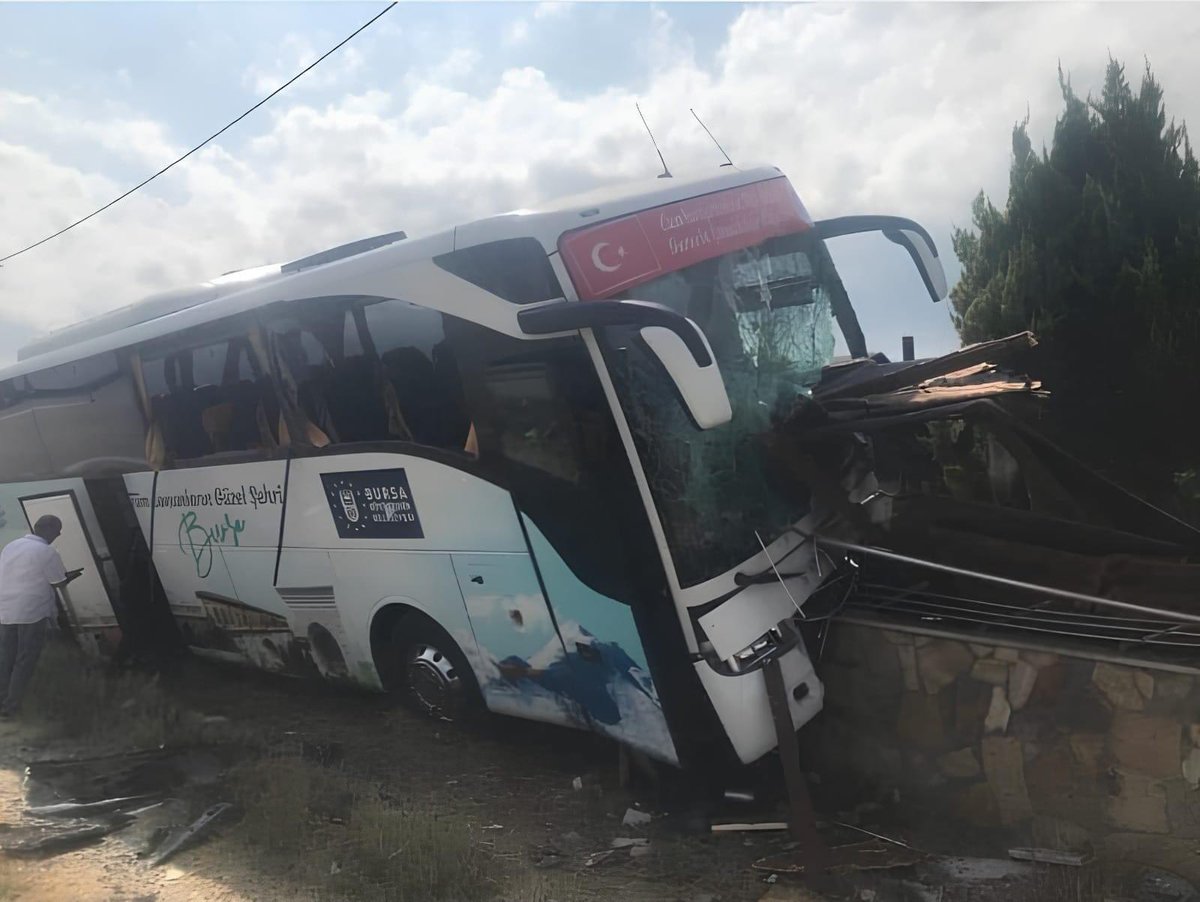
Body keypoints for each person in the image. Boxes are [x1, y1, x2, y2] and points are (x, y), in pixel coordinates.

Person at [0, 515, 83, 717]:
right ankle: (10, 708)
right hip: (31, 612)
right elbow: (57, 582)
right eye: (57, 530)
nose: (58, 534)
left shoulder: (11, 546)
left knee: (5, 659)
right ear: (49, 530)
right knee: (25, 660)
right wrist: (69, 577)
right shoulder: (47, 551)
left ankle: (2, 701)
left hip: (5, 610)